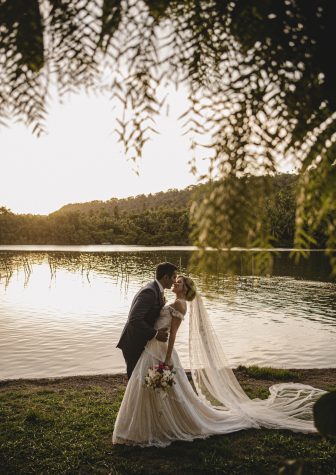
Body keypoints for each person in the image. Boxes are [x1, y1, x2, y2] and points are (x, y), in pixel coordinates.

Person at [113, 275, 325, 448]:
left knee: (166, 390)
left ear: (185, 289)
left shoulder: (180, 304)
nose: (175, 283)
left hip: (162, 352)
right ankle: (147, 426)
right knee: (145, 386)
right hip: (151, 349)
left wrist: (167, 360)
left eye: (179, 282)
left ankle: (163, 425)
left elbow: (173, 335)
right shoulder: (169, 300)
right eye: (175, 280)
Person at [116, 262, 178, 379]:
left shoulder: (156, 289)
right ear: (165, 277)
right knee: (135, 379)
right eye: (174, 277)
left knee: (140, 379)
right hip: (134, 342)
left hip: (142, 341)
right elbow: (134, 319)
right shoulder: (149, 292)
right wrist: (155, 333)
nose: (175, 281)